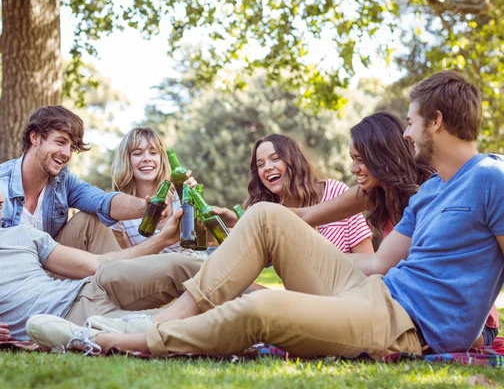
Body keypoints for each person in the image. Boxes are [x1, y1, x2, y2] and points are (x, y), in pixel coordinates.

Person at [26, 70, 504, 358]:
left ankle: (114, 342)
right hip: (374, 291)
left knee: (262, 307)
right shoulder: (432, 192)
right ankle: (168, 316)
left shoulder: (491, 179)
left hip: (408, 326)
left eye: (412, 121)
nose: (406, 133)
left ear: (435, 121)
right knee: (263, 217)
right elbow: (380, 263)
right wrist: (278, 252)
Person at [0, 153, 202, 342]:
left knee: (181, 265)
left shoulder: (21, 234)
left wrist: (162, 240)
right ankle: (243, 318)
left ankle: (250, 299)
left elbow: (97, 264)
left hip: (92, 287)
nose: (1, 198)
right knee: (166, 327)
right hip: (62, 322)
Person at [292, 112, 499, 347]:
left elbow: (384, 265)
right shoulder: (373, 192)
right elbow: (306, 215)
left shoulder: (427, 193)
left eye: (360, 159)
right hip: (403, 304)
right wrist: (256, 218)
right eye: (352, 158)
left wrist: (315, 259)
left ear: (382, 157)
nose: (353, 168)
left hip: (467, 322)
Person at [0, 106, 174, 255]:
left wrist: (149, 208)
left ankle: (121, 285)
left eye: (71, 147)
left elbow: (103, 201)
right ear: (35, 138)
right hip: (9, 274)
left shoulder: (64, 180)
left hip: (50, 268)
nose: (67, 154)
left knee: (91, 218)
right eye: (60, 142)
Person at [212, 133, 373, 253]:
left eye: (275, 159)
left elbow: (367, 257)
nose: (267, 167)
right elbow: (236, 253)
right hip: (299, 295)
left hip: (347, 290)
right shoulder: (268, 209)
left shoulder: (334, 191)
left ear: (293, 161)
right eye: (260, 165)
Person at [110, 127, 196, 253]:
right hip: (147, 271)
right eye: (138, 153)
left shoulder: (181, 197)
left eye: (153, 152)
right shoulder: (119, 212)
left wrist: (195, 200)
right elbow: (127, 261)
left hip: (190, 269)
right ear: (126, 160)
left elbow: (203, 239)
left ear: (161, 159)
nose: (147, 158)